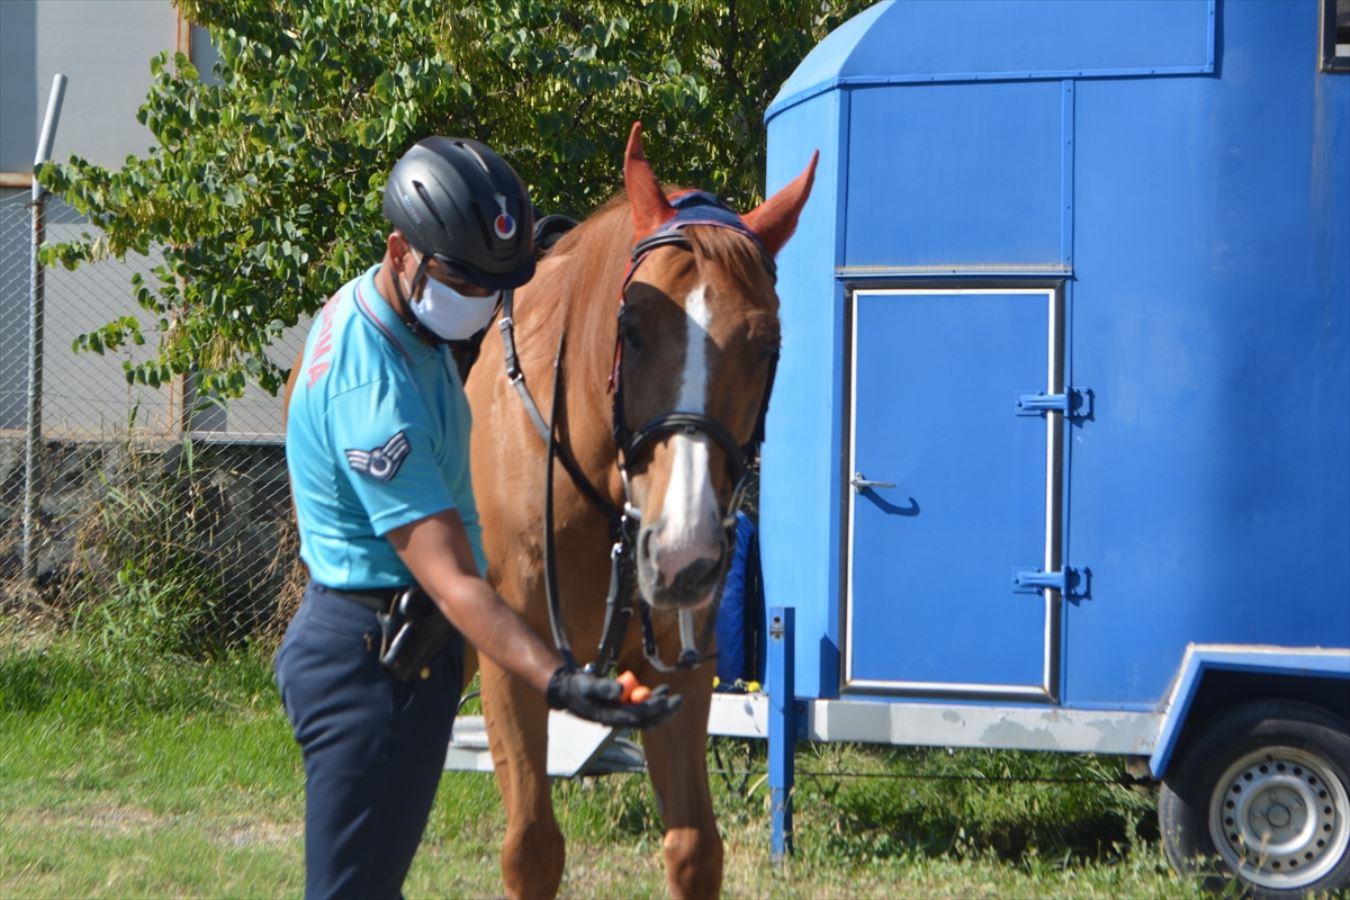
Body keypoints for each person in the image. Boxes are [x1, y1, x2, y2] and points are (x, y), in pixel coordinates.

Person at [276, 136, 681, 900]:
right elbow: (458, 582)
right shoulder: (374, 391)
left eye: (497, 285)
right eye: (463, 280)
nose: (482, 303)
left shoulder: (399, 317)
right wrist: (560, 681)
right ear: (402, 250)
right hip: (369, 662)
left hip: (404, 650)